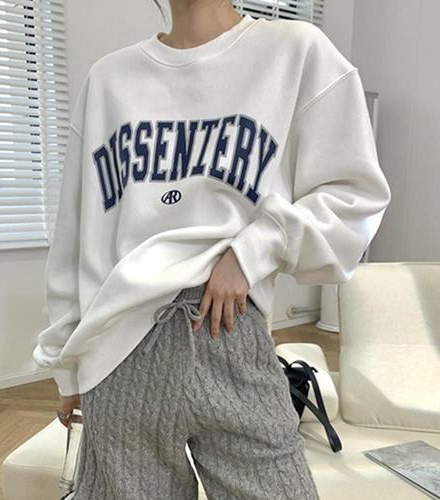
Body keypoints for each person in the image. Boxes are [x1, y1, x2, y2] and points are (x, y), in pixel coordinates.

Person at [33, 1, 391, 499]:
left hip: (228, 328)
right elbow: (74, 235)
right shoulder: (109, 80)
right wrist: (67, 366)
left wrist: (252, 251)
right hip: (119, 350)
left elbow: (354, 196)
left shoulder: (296, 52)